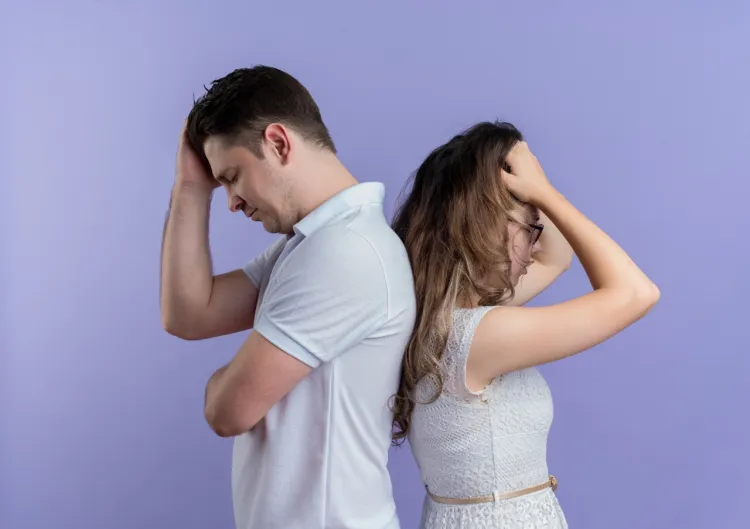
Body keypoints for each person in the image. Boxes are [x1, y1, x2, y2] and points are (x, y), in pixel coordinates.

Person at [160, 66, 416, 529]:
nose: (232, 201)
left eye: (232, 176)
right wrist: (191, 187)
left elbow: (227, 411)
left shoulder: (346, 251)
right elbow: (189, 314)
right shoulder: (309, 245)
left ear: (278, 143)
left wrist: (219, 382)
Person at [390, 121, 660, 528]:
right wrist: (543, 193)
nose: (536, 245)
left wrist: (530, 189)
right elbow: (636, 293)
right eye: (529, 229)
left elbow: (557, 256)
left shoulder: (438, 323)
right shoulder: (480, 336)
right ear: (483, 222)